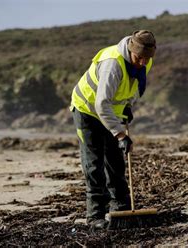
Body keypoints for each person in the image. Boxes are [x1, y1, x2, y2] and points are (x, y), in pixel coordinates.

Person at [70, 30, 156, 230]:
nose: (143, 63)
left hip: (110, 113)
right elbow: (101, 104)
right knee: (94, 164)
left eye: (147, 59)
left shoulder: (145, 61)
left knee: (116, 160)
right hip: (87, 110)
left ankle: (120, 208)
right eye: (139, 58)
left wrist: (127, 106)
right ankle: (95, 216)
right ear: (131, 50)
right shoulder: (113, 64)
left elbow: (132, 87)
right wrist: (120, 133)